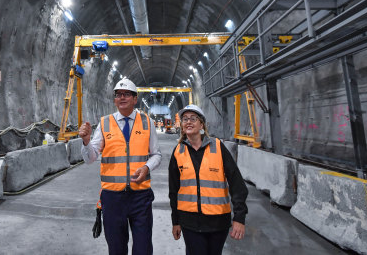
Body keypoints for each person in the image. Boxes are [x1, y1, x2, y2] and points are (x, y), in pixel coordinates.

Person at [80, 78, 162, 255]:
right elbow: (90, 158)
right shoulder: (105, 123)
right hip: (112, 197)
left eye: (126, 94)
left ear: (135, 98)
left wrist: (146, 167)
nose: (122, 98)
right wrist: (86, 142)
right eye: (118, 95)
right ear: (114, 99)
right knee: (116, 248)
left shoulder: (147, 122)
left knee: (143, 248)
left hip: (140, 196)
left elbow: (156, 154)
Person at [169, 104, 248, 255]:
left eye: (193, 118)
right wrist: (175, 221)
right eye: (185, 119)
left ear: (202, 124)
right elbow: (173, 190)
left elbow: (237, 183)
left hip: (218, 223)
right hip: (189, 222)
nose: (188, 122)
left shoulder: (218, 147)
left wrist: (239, 217)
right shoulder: (178, 151)